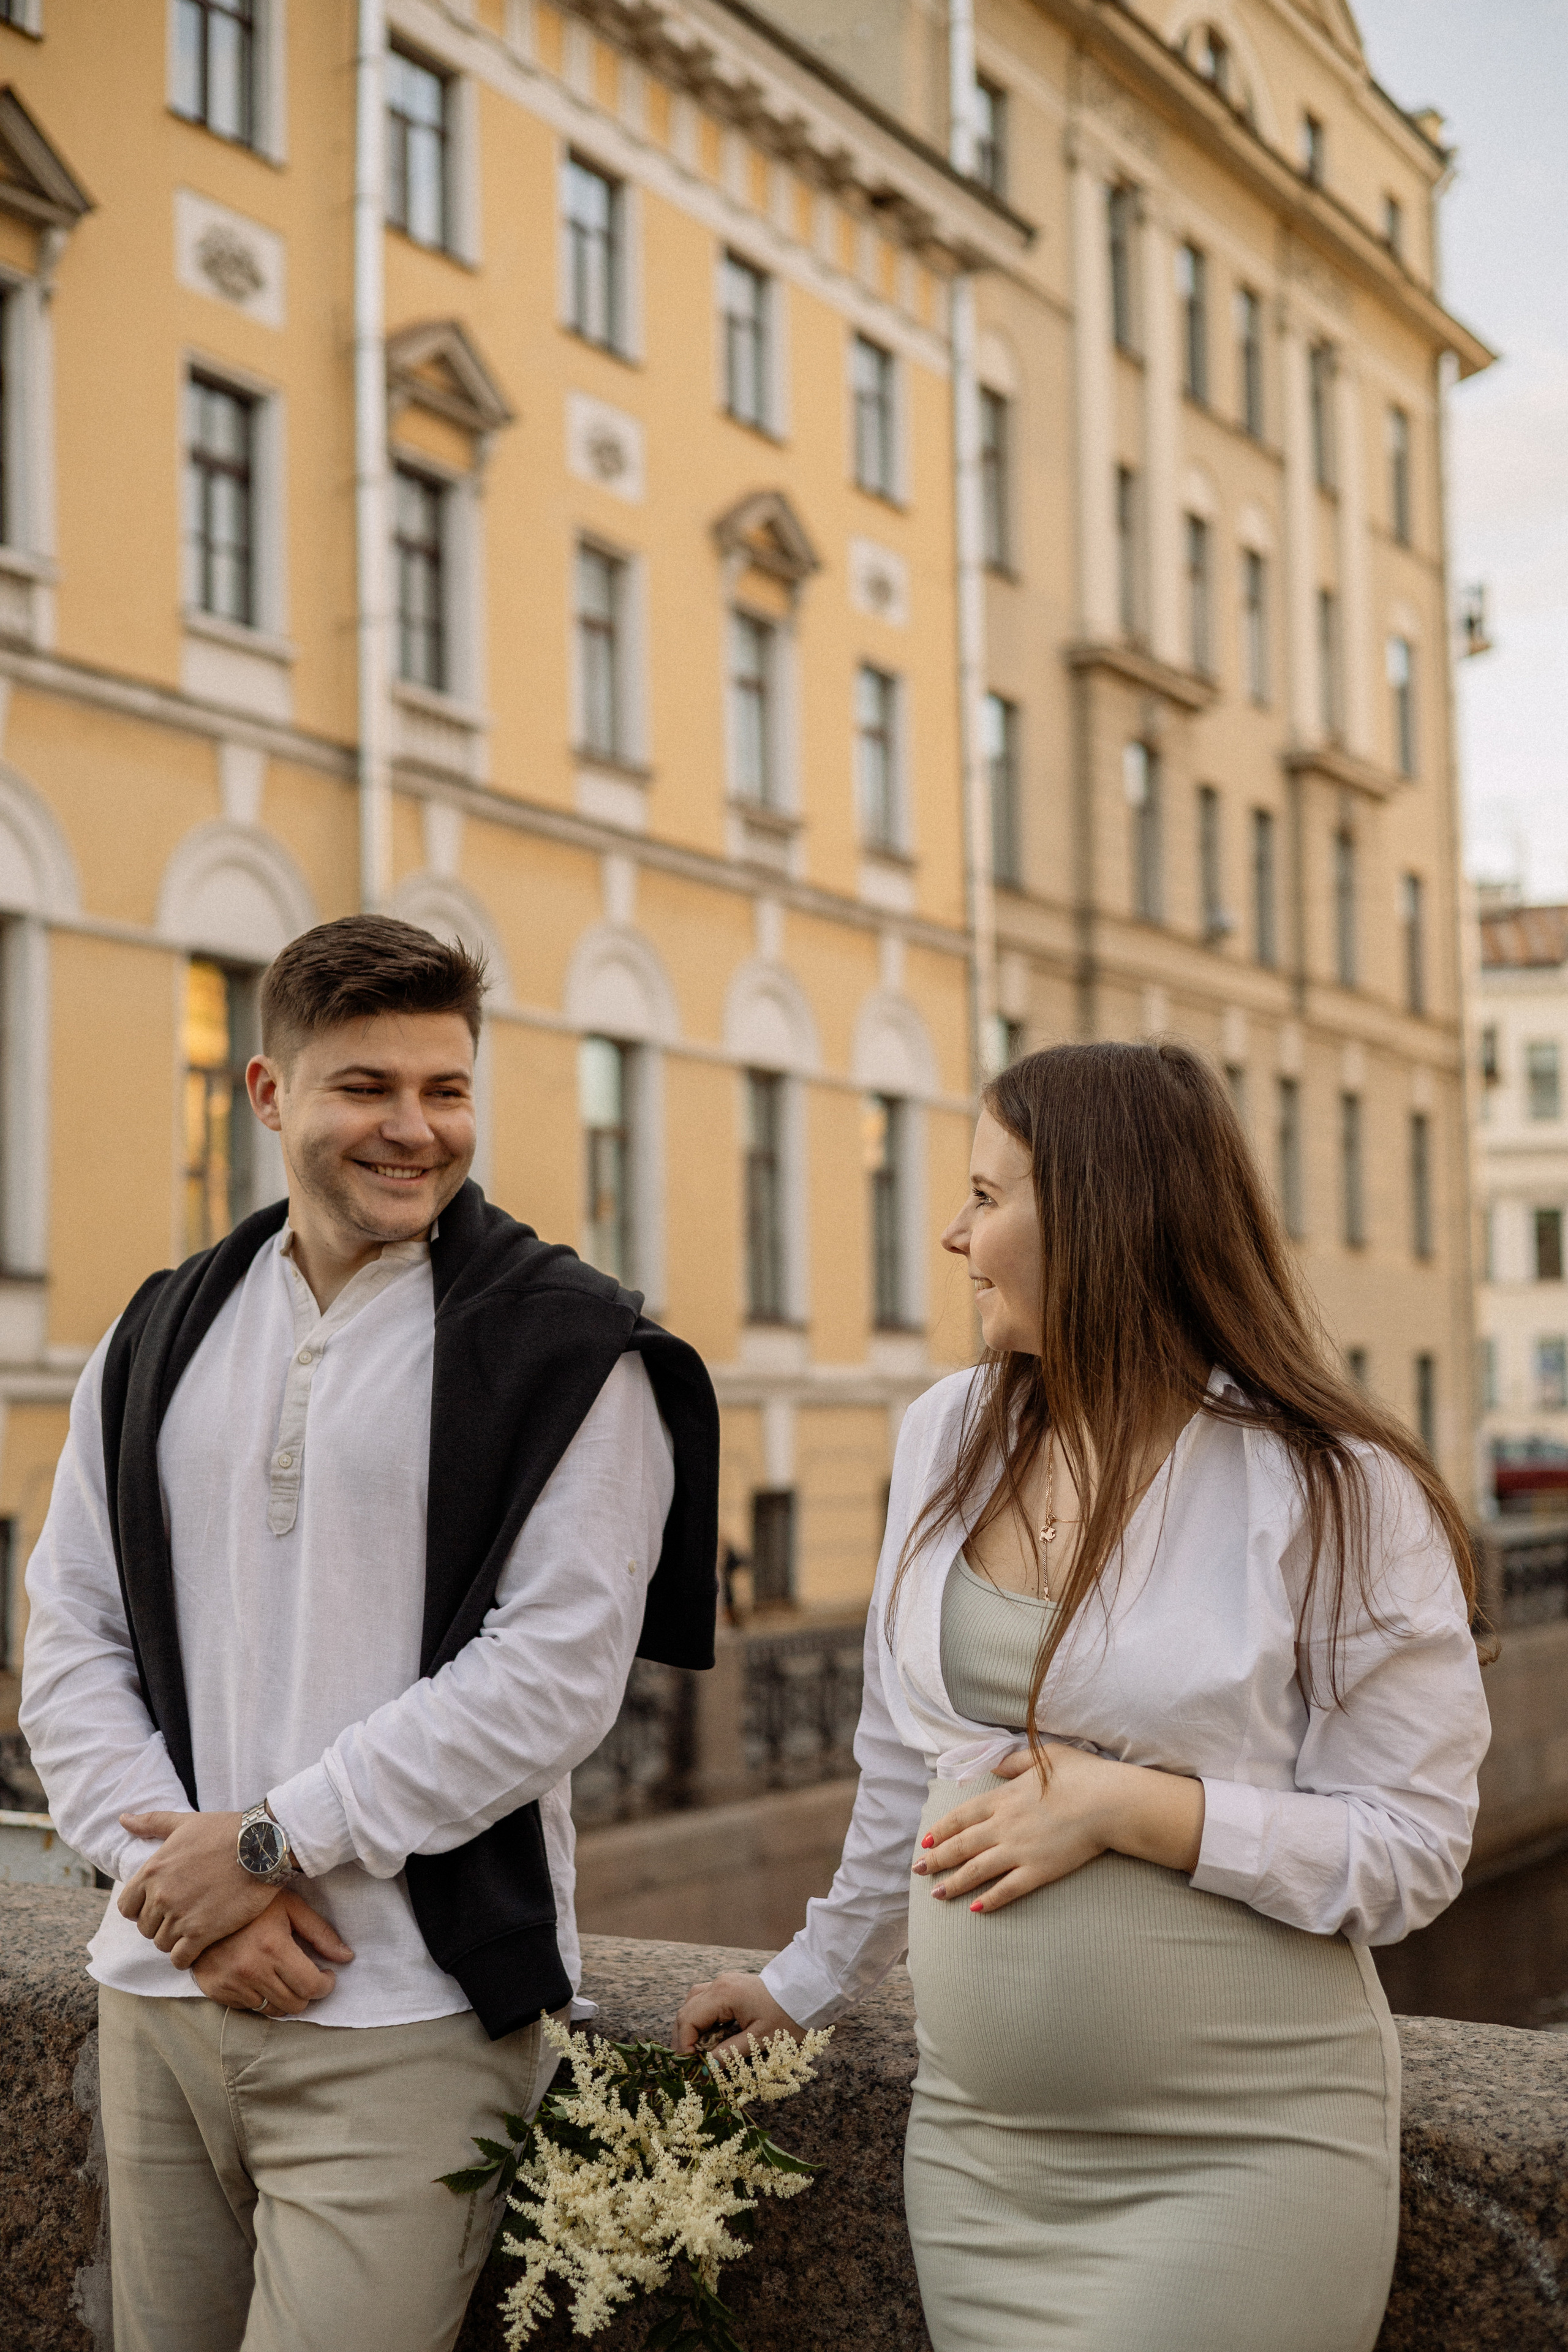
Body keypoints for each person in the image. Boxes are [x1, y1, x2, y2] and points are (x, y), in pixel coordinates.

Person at [676, 1040, 1490, 2352]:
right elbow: (902, 1763)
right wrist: (806, 1982)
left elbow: (1409, 1848)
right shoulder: (945, 1432)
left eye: (988, 1196)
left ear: (1104, 1215)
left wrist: (1132, 1808)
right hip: (980, 2163)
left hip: (1238, 2152)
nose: (951, 1234)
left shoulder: (1331, 1485)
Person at [21, 914, 718, 2352]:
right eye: (367, 1088)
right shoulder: (158, 1329)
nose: (414, 1129)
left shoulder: (571, 1349)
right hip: (159, 2001)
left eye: (446, 1089)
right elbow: (70, 1626)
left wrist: (270, 1844)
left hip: (406, 2015)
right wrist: (178, 1890)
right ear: (271, 1094)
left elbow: (551, 1679)